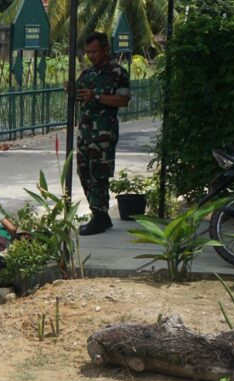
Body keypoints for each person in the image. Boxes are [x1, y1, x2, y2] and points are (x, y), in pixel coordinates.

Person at [74, 31, 131, 236]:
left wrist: (96, 96)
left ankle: (100, 216)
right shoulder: (87, 73)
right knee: (84, 172)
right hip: (85, 132)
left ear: (105, 50)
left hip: (103, 133)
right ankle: (99, 214)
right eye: (88, 52)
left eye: (95, 51)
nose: (91, 56)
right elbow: (79, 94)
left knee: (99, 173)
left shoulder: (117, 72)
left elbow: (123, 100)